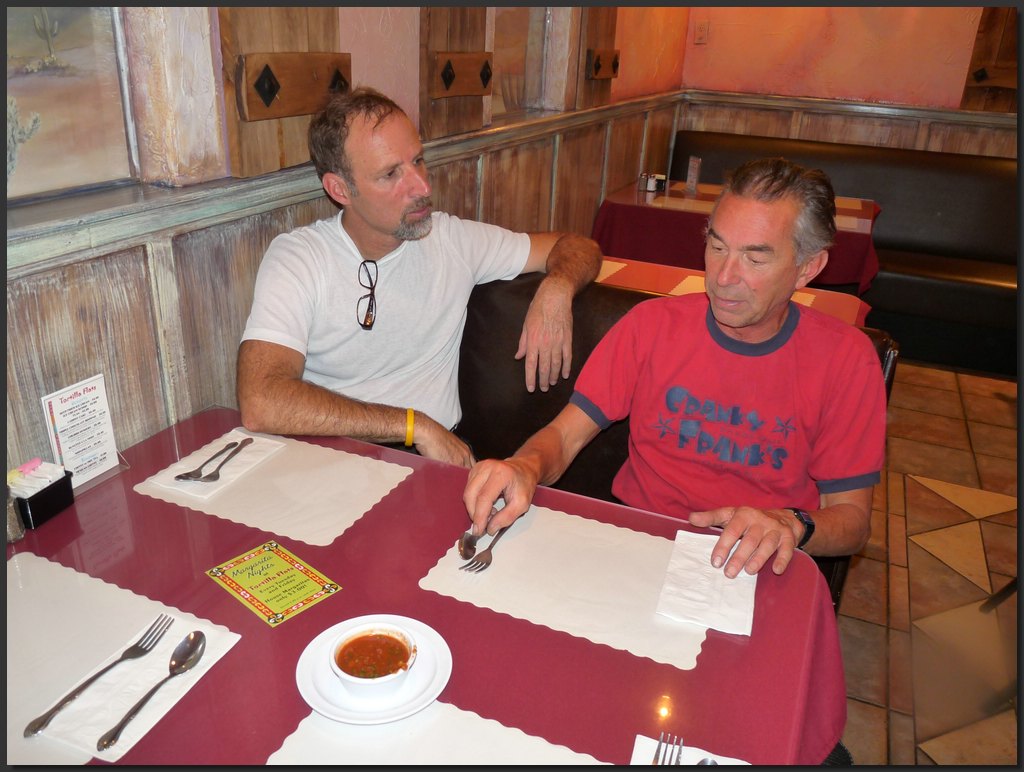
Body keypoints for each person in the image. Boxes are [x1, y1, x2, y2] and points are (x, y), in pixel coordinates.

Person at [463, 157, 886, 577]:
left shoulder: (845, 359)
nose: (723, 276)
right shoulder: (652, 325)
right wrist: (525, 466)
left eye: (755, 259)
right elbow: (564, 435)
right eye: (717, 247)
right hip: (639, 549)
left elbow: (852, 522)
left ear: (808, 267)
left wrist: (791, 524)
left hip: (761, 565)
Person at [237, 87, 602, 467]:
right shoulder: (300, 258)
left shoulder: (453, 240)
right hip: (330, 465)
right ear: (340, 189)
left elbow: (578, 246)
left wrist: (557, 288)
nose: (422, 187)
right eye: (391, 174)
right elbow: (261, 400)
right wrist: (414, 425)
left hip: (432, 465)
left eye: (418, 161)